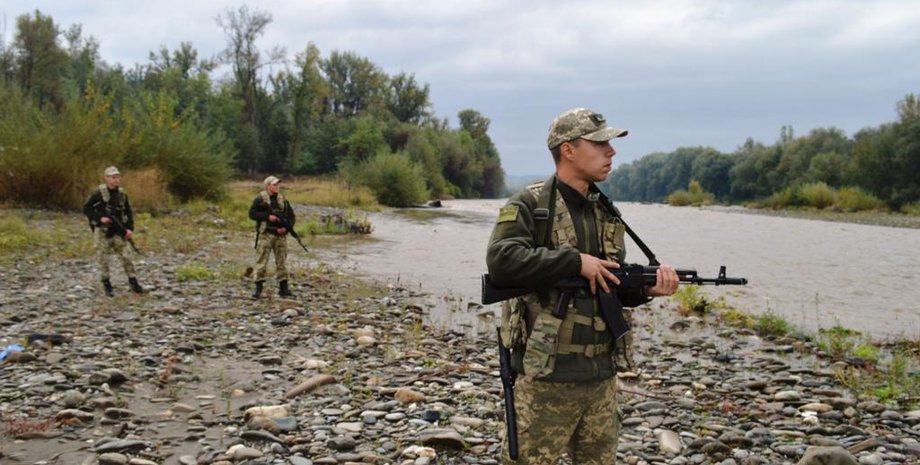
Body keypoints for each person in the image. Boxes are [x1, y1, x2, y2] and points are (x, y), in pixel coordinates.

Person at [485, 108, 680, 465]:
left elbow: (609, 284)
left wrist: (646, 289)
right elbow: (501, 261)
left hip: (601, 379)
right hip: (546, 379)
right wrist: (574, 261)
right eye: (600, 143)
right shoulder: (530, 204)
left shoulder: (604, 211)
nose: (611, 152)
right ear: (568, 150)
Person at [83, 166, 145, 297]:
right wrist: (100, 218)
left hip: (118, 230)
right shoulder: (98, 194)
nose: (115, 180)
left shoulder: (122, 194)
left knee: (126, 256)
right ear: (106, 178)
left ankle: (133, 282)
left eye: (117, 177)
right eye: (112, 177)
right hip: (102, 231)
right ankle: (107, 284)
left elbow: (128, 211)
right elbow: (87, 209)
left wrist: (129, 228)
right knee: (103, 258)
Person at [249, 175, 296, 298]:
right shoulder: (260, 198)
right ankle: (258, 289)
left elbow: (291, 217)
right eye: (274, 185)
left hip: (280, 236)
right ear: (268, 186)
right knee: (261, 262)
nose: (277, 187)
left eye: (278, 185)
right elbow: (252, 214)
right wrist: (267, 216)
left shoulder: (283, 200)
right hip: (266, 234)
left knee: (282, 262)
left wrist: (285, 228)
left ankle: (283, 289)